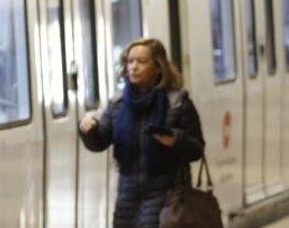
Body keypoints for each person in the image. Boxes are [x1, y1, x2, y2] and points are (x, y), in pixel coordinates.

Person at [79, 37, 205, 228]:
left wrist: (175, 140)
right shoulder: (118, 105)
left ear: (158, 67)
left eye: (141, 62)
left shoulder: (177, 103)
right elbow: (100, 141)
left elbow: (197, 148)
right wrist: (89, 129)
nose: (133, 67)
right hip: (127, 197)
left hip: (167, 195)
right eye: (130, 62)